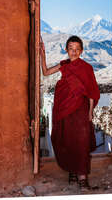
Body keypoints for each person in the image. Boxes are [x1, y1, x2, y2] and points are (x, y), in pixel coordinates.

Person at [40, 35, 100, 191]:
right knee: (68, 140)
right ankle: (73, 172)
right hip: (65, 110)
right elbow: (45, 72)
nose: (74, 52)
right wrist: (42, 54)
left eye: (77, 49)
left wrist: (90, 112)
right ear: (66, 49)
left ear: (81, 51)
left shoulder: (87, 68)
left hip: (80, 111)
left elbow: (92, 91)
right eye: (71, 49)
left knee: (82, 142)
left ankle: (82, 178)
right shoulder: (63, 65)